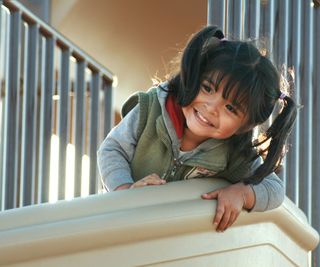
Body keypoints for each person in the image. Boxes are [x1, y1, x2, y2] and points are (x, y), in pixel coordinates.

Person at [97, 25, 297, 232]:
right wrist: (125, 191)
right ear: (193, 76)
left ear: (245, 126)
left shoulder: (233, 152)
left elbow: (274, 189)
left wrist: (241, 193)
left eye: (230, 107)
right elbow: (112, 149)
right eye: (207, 88)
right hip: (118, 225)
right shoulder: (151, 110)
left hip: (173, 239)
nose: (211, 108)